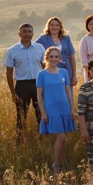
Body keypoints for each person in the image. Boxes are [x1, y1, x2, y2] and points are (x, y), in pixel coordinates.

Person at [37, 46, 77, 174]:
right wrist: (43, 112)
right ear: (46, 58)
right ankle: (56, 166)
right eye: (51, 56)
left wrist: (72, 108)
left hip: (64, 108)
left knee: (63, 138)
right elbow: (39, 95)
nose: (54, 59)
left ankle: (60, 164)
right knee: (61, 137)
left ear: (59, 58)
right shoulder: (41, 74)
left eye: (56, 56)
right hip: (51, 109)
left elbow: (68, 92)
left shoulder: (63, 72)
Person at [6, 23, 46, 137]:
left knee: (41, 112)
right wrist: (13, 93)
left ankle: (43, 139)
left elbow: (44, 69)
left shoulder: (40, 48)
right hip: (22, 86)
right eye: (24, 31)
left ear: (33, 33)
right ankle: (20, 142)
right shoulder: (12, 51)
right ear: (19, 34)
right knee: (21, 115)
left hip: (38, 84)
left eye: (29, 31)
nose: (27, 34)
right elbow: (9, 73)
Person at [37, 17, 77, 86]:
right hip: (50, 71)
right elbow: (34, 49)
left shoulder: (66, 38)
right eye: (52, 25)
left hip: (67, 70)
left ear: (60, 27)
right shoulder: (43, 39)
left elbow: (72, 57)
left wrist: (74, 76)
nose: (54, 27)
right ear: (48, 27)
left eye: (57, 25)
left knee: (67, 93)